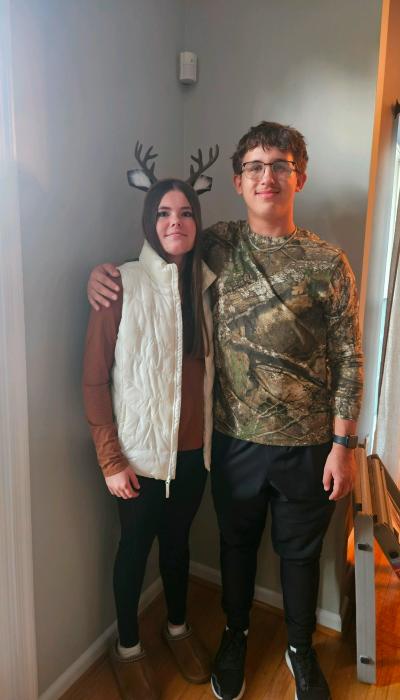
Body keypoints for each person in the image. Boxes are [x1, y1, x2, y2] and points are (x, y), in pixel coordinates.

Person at [87, 122, 364, 700]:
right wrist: (102, 276)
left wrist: (344, 446)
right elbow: (163, 254)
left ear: (299, 177)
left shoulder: (329, 262)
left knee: (300, 556)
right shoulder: (217, 245)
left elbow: (348, 357)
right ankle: (235, 636)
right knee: (234, 549)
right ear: (238, 182)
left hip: (310, 446)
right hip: (234, 441)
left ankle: (299, 648)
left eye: (281, 165)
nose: (268, 177)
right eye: (255, 167)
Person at [82, 178, 216, 700]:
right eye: (163, 213)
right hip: (137, 459)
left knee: (178, 546)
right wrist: (110, 459)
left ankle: (177, 628)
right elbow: (94, 380)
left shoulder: (206, 287)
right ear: (149, 222)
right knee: (134, 551)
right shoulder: (119, 283)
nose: (175, 222)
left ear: (197, 222)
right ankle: (129, 648)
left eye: (185, 212)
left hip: (193, 456)